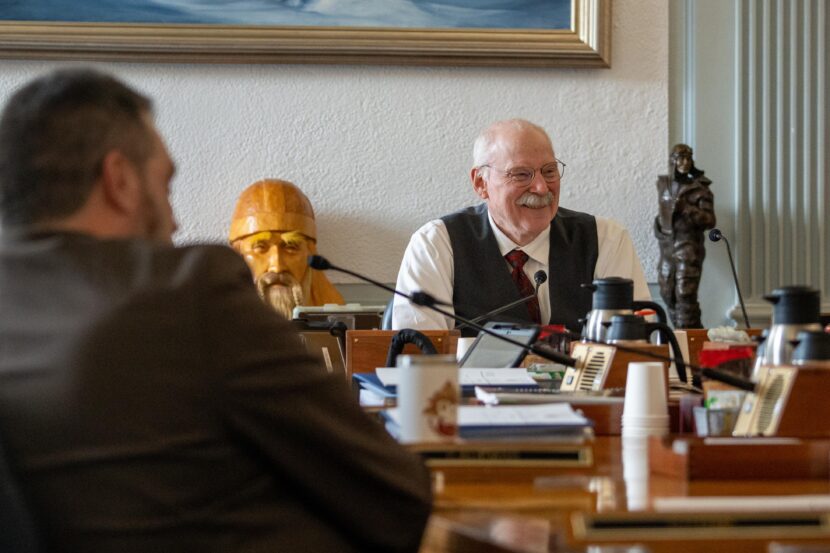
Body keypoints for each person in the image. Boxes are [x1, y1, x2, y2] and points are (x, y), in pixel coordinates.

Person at [0, 68, 431, 552]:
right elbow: (393, 495)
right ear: (119, 180)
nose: (175, 220)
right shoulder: (187, 291)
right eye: (164, 186)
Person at [392, 119, 649, 336]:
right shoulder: (437, 244)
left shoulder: (606, 240)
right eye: (521, 174)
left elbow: (637, 350)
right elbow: (421, 356)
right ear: (481, 183)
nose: (541, 187)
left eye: (549, 171)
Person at [229, 179, 344, 320]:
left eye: (291, 248)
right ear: (238, 255)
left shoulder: (337, 325)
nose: (277, 267)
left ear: (310, 253)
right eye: (260, 248)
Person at [654, 144, 716, 328]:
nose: (685, 162)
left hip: (689, 247)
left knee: (685, 294)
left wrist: (686, 209)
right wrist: (659, 225)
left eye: (688, 158)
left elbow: (709, 220)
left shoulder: (700, 189)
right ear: (672, 160)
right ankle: (686, 333)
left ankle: (688, 339)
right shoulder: (664, 185)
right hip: (666, 247)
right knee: (667, 292)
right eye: (680, 158)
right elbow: (663, 213)